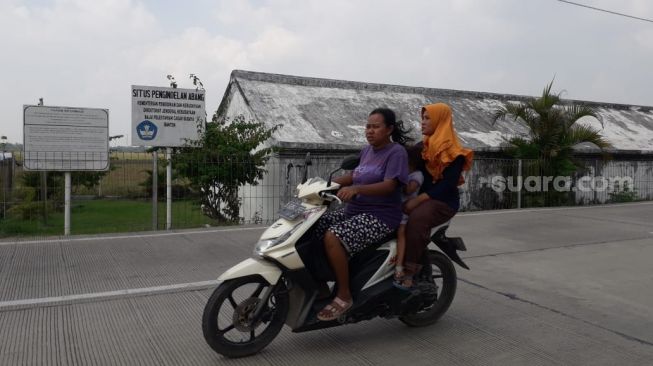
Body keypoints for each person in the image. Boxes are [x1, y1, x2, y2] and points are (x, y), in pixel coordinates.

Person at [315, 107, 411, 321]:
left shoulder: (396, 152)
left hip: (381, 216)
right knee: (313, 226)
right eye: (368, 126)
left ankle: (344, 294)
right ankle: (319, 284)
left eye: (375, 127)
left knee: (333, 236)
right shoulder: (367, 151)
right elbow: (354, 175)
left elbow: (389, 185)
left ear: (389, 129)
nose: (370, 131)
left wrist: (358, 189)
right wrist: (322, 185)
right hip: (354, 211)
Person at [399, 103, 473, 288]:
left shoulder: (455, 153)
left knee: (416, 220)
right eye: (422, 118)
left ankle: (409, 272)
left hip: (443, 202)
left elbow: (447, 185)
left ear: (440, 120)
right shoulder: (423, 146)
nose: (422, 122)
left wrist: (417, 200)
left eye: (427, 118)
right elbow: (404, 157)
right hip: (420, 198)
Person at [393, 145, 424, 290]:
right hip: (393, 208)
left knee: (401, 234)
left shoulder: (417, 175)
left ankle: (399, 266)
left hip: (404, 211)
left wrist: (398, 179)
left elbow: (409, 189)